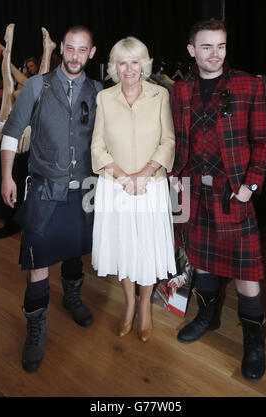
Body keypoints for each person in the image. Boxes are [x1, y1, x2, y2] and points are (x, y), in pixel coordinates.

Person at [171, 19, 266, 381]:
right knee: (203, 263)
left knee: (248, 278)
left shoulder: (248, 84)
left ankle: (253, 340)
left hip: (234, 194)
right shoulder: (180, 90)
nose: (215, 54)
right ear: (191, 50)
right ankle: (208, 317)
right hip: (195, 191)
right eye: (207, 47)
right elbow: (179, 142)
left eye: (221, 46)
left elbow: (262, 142)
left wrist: (251, 186)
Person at [1, 25, 101, 372]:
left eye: (81, 50)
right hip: (44, 189)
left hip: (84, 191)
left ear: (91, 53)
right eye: (69, 48)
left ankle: (72, 296)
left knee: (75, 250)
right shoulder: (37, 86)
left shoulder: (98, 91)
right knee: (37, 262)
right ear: (62, 48)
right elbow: (12, 132)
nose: (74, 56)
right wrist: (6, 177)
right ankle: (35, 327)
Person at [91, 37, 176, 342]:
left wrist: (144, 172)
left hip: (150, 186)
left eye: (135, 61)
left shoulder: (160, 95)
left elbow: (168, 142)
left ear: (144, 64)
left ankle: (144, 307)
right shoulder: (105, 98)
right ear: (115, 66)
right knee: (124, 247)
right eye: (122, 62)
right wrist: (121, 176)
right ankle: (129, 304)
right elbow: (97, 147)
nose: (129, 68)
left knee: (147, 249)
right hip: (116, 188)